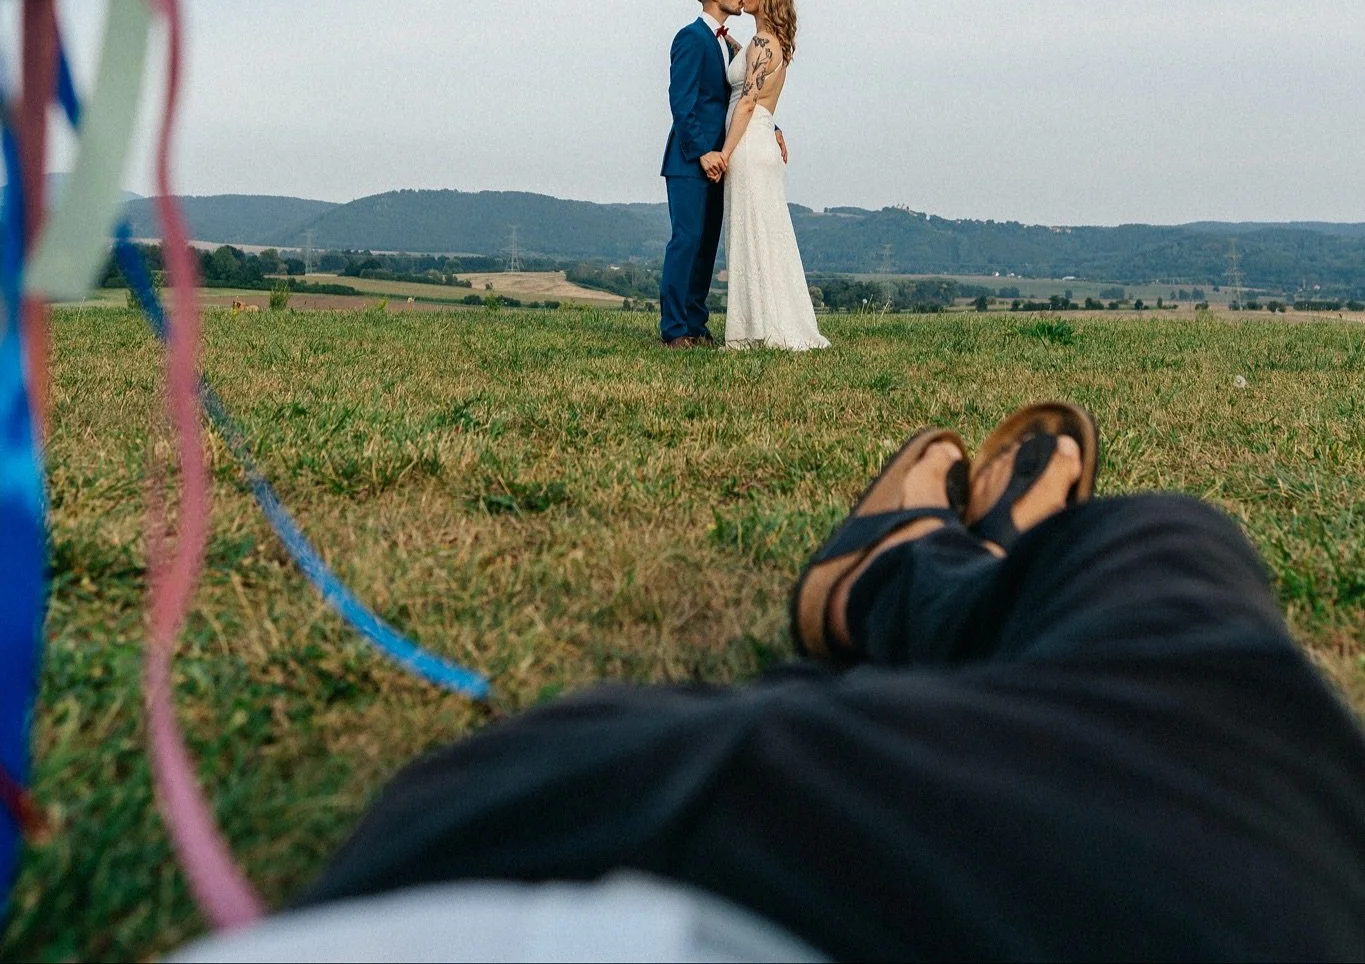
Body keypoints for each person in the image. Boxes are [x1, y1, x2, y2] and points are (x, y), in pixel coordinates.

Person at [187, 400, 1365, 963]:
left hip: (571, 852)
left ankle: (916, 575)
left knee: (1168, 579)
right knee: (1169, 553)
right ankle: (922, 575)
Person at [658, 0, 783, 350]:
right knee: (687, 240)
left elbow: (747, 94)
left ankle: (696, 324)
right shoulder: (691, 37)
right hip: (690, 160)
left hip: (725, 159)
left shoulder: (726, 43)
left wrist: (772, 127)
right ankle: (675, 329)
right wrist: (702, 152)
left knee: (708, 244)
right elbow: (681, 103)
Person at [720, 0, 828, 350]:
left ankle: (753, 330)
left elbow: (748, 99)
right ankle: (764, 323)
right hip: (761, 137)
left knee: (751, 233)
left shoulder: (764, 43)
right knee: (762, 232)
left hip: (748, 143)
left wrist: (725, 151)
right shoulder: (768, 43)